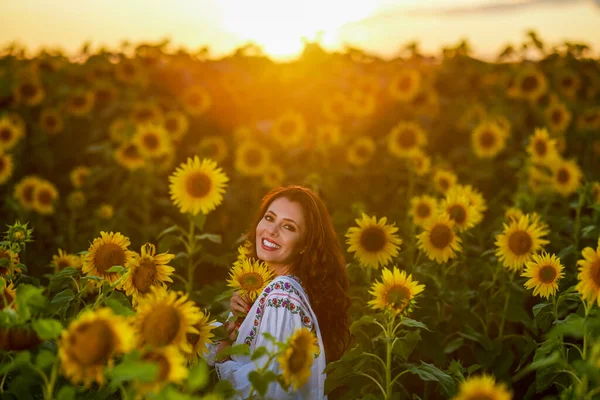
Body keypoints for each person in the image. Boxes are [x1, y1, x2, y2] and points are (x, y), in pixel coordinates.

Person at [212, 185, 351, 399]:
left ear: (305, 245)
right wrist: (241, 323)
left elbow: (267, 389)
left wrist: (223, 354)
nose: (272, 230)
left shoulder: (283, 294)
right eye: (269, 218)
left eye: (289, 227)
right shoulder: (286, 289)